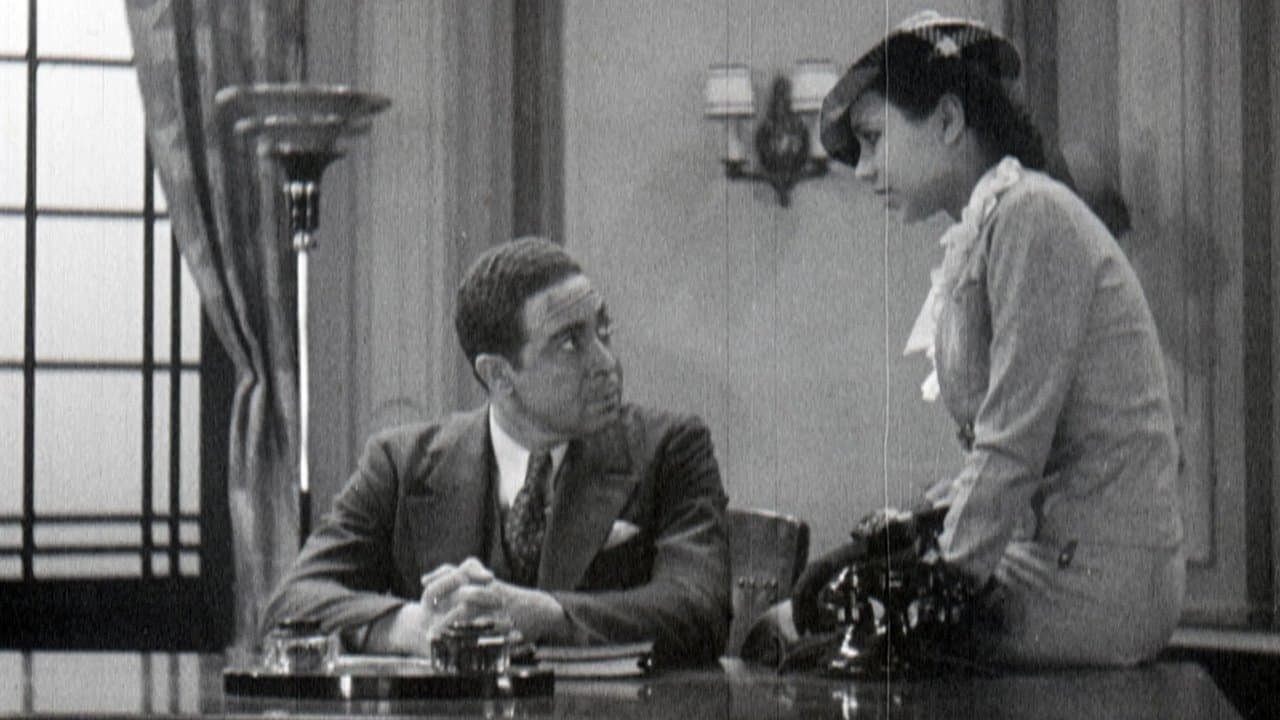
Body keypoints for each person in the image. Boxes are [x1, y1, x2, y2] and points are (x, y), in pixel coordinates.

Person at [808, 10, 1185, 666]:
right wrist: (929, 529)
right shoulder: (993, 227)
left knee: (833, 635)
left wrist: (938, 582)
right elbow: (1006, 451)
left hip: (1097, 583)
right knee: (827, 598)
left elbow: (1013, 442)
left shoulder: (1032, 215)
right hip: (1050, 557)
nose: (863, 169)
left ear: (949, 120)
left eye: (873, 138)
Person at [262, 237, 731, 665]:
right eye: (570, 343)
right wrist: (412, 627)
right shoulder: (401, 464)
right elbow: (291, 602)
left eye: (602, 329)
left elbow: (701, 607)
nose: (607, 364)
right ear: (500, 376)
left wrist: (546, 614)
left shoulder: (670, 449)